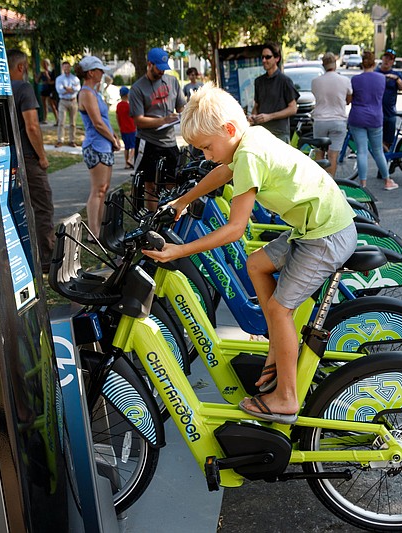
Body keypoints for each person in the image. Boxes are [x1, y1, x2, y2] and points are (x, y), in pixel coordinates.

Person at [141, 83, 357, 424]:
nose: (206, 156)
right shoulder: (248, 139)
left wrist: (180, 251)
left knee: (278, 308)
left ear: (228, 130)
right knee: (255, 263)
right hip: (315, 226)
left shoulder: (250, 155)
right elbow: (222, 171)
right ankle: (278, 348)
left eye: (208, 147)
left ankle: (286, 398)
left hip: (325, 235)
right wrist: (182, 201)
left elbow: (234, 229)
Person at [8, 49, 55, 273]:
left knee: (16, 207)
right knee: (42, 206)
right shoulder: (24, 88)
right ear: (21, 67)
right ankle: (47, 259)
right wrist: (42, 156)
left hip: (7, 158)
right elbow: (32, 126)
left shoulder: (0, 88)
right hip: (28, 157)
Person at [129, 47, 186, 211]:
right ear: (149, 64)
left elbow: (181, 107)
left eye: (164, 68)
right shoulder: (138, 88)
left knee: (172, 182)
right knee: (150, 184)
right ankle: (152, 219)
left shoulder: (172, 82)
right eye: (159, 68)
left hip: (169, 142)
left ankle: (171, 216)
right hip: (148, 142)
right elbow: (138, 121)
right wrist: (163, 120)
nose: (162, 72)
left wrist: (185, 114)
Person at [76, 56, 120, 239]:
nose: (102, 73)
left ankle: (99, 229)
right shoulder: (86, 93)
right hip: (96, 146)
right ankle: (93, 232)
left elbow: (105, 120)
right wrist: (114, 140)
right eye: (100, 70)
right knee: (98, 189)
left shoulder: (95, 92)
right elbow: (97, 123)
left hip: (104, 146)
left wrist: (112, 138)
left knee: (104, 188)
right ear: (90, 72)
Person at [347, 50, 399, 191]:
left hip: (357, 117)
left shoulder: (355, 80)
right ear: (374, 62)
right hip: (375, 117)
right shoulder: (381, 78)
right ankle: (387, 181)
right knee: (378, 151)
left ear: (362, 63)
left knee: (362, 151)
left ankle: (363, 185)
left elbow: (351, 98)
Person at [311, 52, 351, 176]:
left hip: (320, 121)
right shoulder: (345, 80)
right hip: (338, 121)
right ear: (335, 64)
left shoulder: (315, 81)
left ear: (323, 65)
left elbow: (316, 96)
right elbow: (349, 100)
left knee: (319, 153)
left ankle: (320, 182)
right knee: (333, 156)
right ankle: (331, 183)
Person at [250, 42, 299, 143]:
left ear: (277, 59)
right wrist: (253, 117)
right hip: (262, 133)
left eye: (268, 57)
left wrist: (269, 116)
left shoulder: (285, 81)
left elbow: (293, 108)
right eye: (262, 57)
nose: (264, 60)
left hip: (279, 134)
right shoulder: (258, 81)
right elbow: (256, 106)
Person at [377, 49, 402, 151]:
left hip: (390, 113)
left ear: (393, 62)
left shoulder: (396, 74)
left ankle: (386, 163)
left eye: (390, 59)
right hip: (376, 113)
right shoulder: (375, 72)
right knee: (376, 141)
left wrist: (397, 79)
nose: (387, 61)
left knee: (388, 142)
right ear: (382, 58)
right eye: (386, 57)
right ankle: (383, 163)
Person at [55, 60, 81, 147]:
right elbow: (60, 90)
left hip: (73, 101)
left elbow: (77, 89)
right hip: (63, 101)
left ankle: (72, 140)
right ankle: (60, 140)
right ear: (62, 68)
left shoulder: (75, 78)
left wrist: (66, 88)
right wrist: (70, 89)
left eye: (68, 67)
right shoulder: (59, 79)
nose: (66, 69)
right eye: (64, 67)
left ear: (70, 68)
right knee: (61, 122)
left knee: (72, 123)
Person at [116, 86, 137, 169]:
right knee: (133, 146)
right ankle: (130, 159)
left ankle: (126, 163)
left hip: (123, 129)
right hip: (131, 128)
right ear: (128, 95)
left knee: (126, 147)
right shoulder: (129, 106)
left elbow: (117, 116)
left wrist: (119, 126)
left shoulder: (119, 105)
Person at [36, 59, 58, 125]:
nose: (44, 65)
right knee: (44, 105)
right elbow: (37, 81)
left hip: (49, 89)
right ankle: (45, 119)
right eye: (43, 64)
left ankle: (57, 119)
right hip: (43, 89)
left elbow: (50, 80)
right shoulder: (41, 73)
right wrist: (37, 77)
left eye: (46, 64)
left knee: (52, 104)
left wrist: (47, 75)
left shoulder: (51, 72)